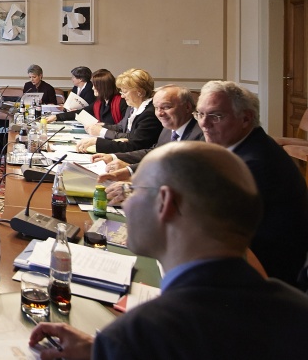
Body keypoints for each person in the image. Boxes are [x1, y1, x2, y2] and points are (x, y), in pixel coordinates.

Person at [29, 141, 308, 360]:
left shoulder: (141, 334)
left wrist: (114, 350)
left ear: (165, 203)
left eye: (134, 190)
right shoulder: (296, 310)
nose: (125, 203)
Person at [194, 80, 308, 286]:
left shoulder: (254, 162)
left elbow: (211, 221)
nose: (204, 123)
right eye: (200, 114)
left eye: (216, 115)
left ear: (246, 118)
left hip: (266, 274)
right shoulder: (239, 143)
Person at [95, 85, 203, 189]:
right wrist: (116, 158)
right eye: (156, 108)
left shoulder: (200, 137)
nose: (160, 113)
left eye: (166, 107)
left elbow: (180, 177)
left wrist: (133, 185)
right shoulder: (169, 128)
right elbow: (154, 153)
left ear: (188, 107)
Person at [75, 68, 162, 154]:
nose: (123, 96)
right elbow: (121, 127)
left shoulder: (150, 113)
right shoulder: (132, 107)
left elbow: (135, 145)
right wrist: (102, 125)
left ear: (139, 92)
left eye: (125, 92)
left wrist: (98, 139)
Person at [47, 69, 126, 125]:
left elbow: (122, 128)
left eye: (95, 85)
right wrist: (56, 117)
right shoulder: (100, 102)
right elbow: (81, 112)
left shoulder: (121, 102)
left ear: (102, 87)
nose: (92, 88)